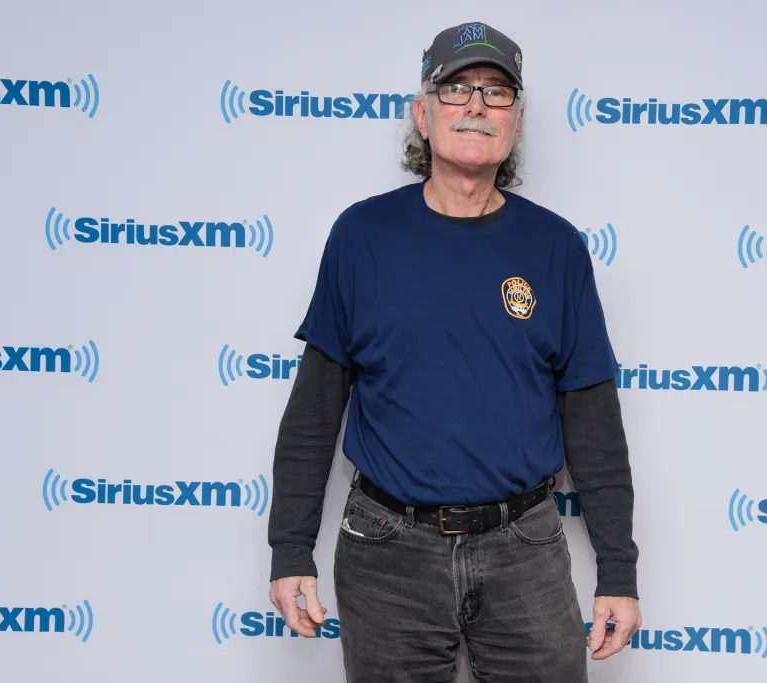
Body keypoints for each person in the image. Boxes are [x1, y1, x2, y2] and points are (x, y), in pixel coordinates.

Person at [267, 21, 641, 683]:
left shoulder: (556, 249)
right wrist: (289, 548)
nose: (475, 104)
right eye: (457, 87)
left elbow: (592, 416)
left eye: (497, 93)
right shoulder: (362, 235)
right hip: (387, 552)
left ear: (517, 124)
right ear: (423, 112)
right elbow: (314, 408)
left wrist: (619, 568)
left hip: (523, 546)